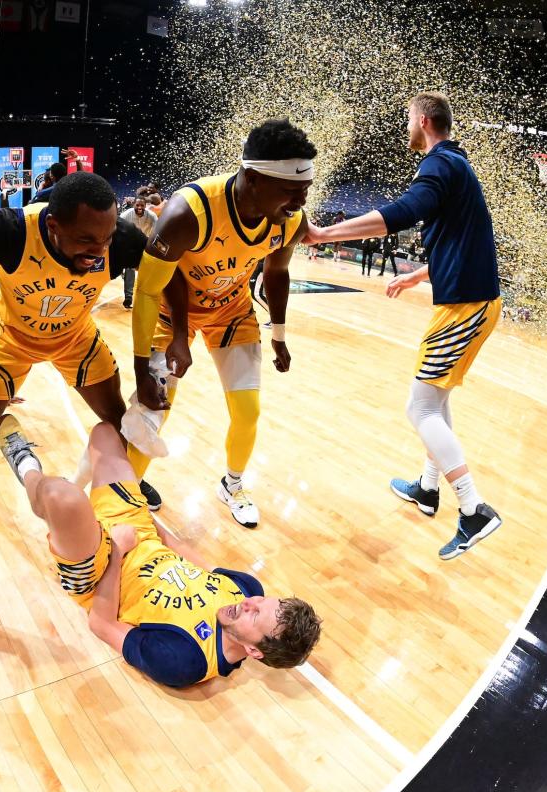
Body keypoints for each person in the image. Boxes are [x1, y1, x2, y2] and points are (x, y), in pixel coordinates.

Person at [305, 91, 503, 560]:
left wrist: (324, 233)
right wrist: (417, 274)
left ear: (425, 120)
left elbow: (401, 213)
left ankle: (474, 508)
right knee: (437, 401)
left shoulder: (438, 165)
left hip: (466, 306)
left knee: (421, 409)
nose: (406, 127)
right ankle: (428, 489)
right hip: (467, 301)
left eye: (409, 119)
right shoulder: (456, 166)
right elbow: (459, 237)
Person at [0, 172, 163, 528]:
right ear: (54, 225)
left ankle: (127, 474)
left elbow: (170, 277)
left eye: (105, 240)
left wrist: (170, 342)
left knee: (118, 419)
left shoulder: (121, 239)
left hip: (75, 338)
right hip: (11, 340)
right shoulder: (10, 230)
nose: (99, 251)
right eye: (86, 240)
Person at [0, 413, 322, 687]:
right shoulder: (247, 590)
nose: (249, 603)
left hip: (100, 570)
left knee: (58, 497)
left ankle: (26, 466)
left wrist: (119, 552)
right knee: (105, 435)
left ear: (253, 651)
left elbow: (102, 625)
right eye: (262, 601)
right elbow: (176, 547)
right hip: (137, 531)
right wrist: (142, 516)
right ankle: (73, 511)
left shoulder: (185, 661)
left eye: (255, 614)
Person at [129, 118, 314, 529]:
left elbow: (276, 273)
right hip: (170, 311)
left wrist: (279, 334)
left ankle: (231, 485)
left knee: (248, 412)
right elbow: (149, 288)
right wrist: (171, 342)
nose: (300, 201)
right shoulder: (186, 212)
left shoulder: (290, 221)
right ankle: (126, 496)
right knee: (152, 410)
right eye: (290, 190)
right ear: (251, 178)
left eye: (305, 190)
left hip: (231, 311)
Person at [119, 196, 156, 308]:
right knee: (129, 268)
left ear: (145, 206)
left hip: (146, 243)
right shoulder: (126, 215)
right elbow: (118, 230)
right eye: (137, 205)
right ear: (134, 205)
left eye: (142, 205)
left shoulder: (152, 216)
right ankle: (128, 297)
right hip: (130, 244)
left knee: (148, 269)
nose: (140, 207)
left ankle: (147, 295)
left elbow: (156, 232)